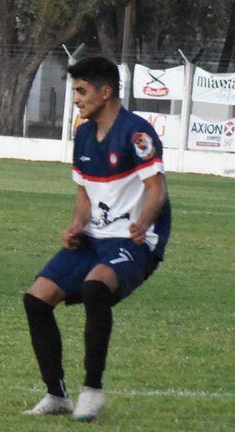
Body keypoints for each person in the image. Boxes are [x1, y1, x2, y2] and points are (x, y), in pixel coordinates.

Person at [22, 56, 171, 421]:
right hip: (93, 238)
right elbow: (85, 193)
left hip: (135, 241)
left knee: (95, 287)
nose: (76, 99)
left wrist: (142, 224)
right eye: (75, 91)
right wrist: (75, 225)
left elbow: (157, 190)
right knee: (36, 300)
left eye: (81, 91)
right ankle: (57, 396)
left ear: (105, 93)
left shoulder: (136, 134)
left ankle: (92, 389)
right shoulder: (84, 133)